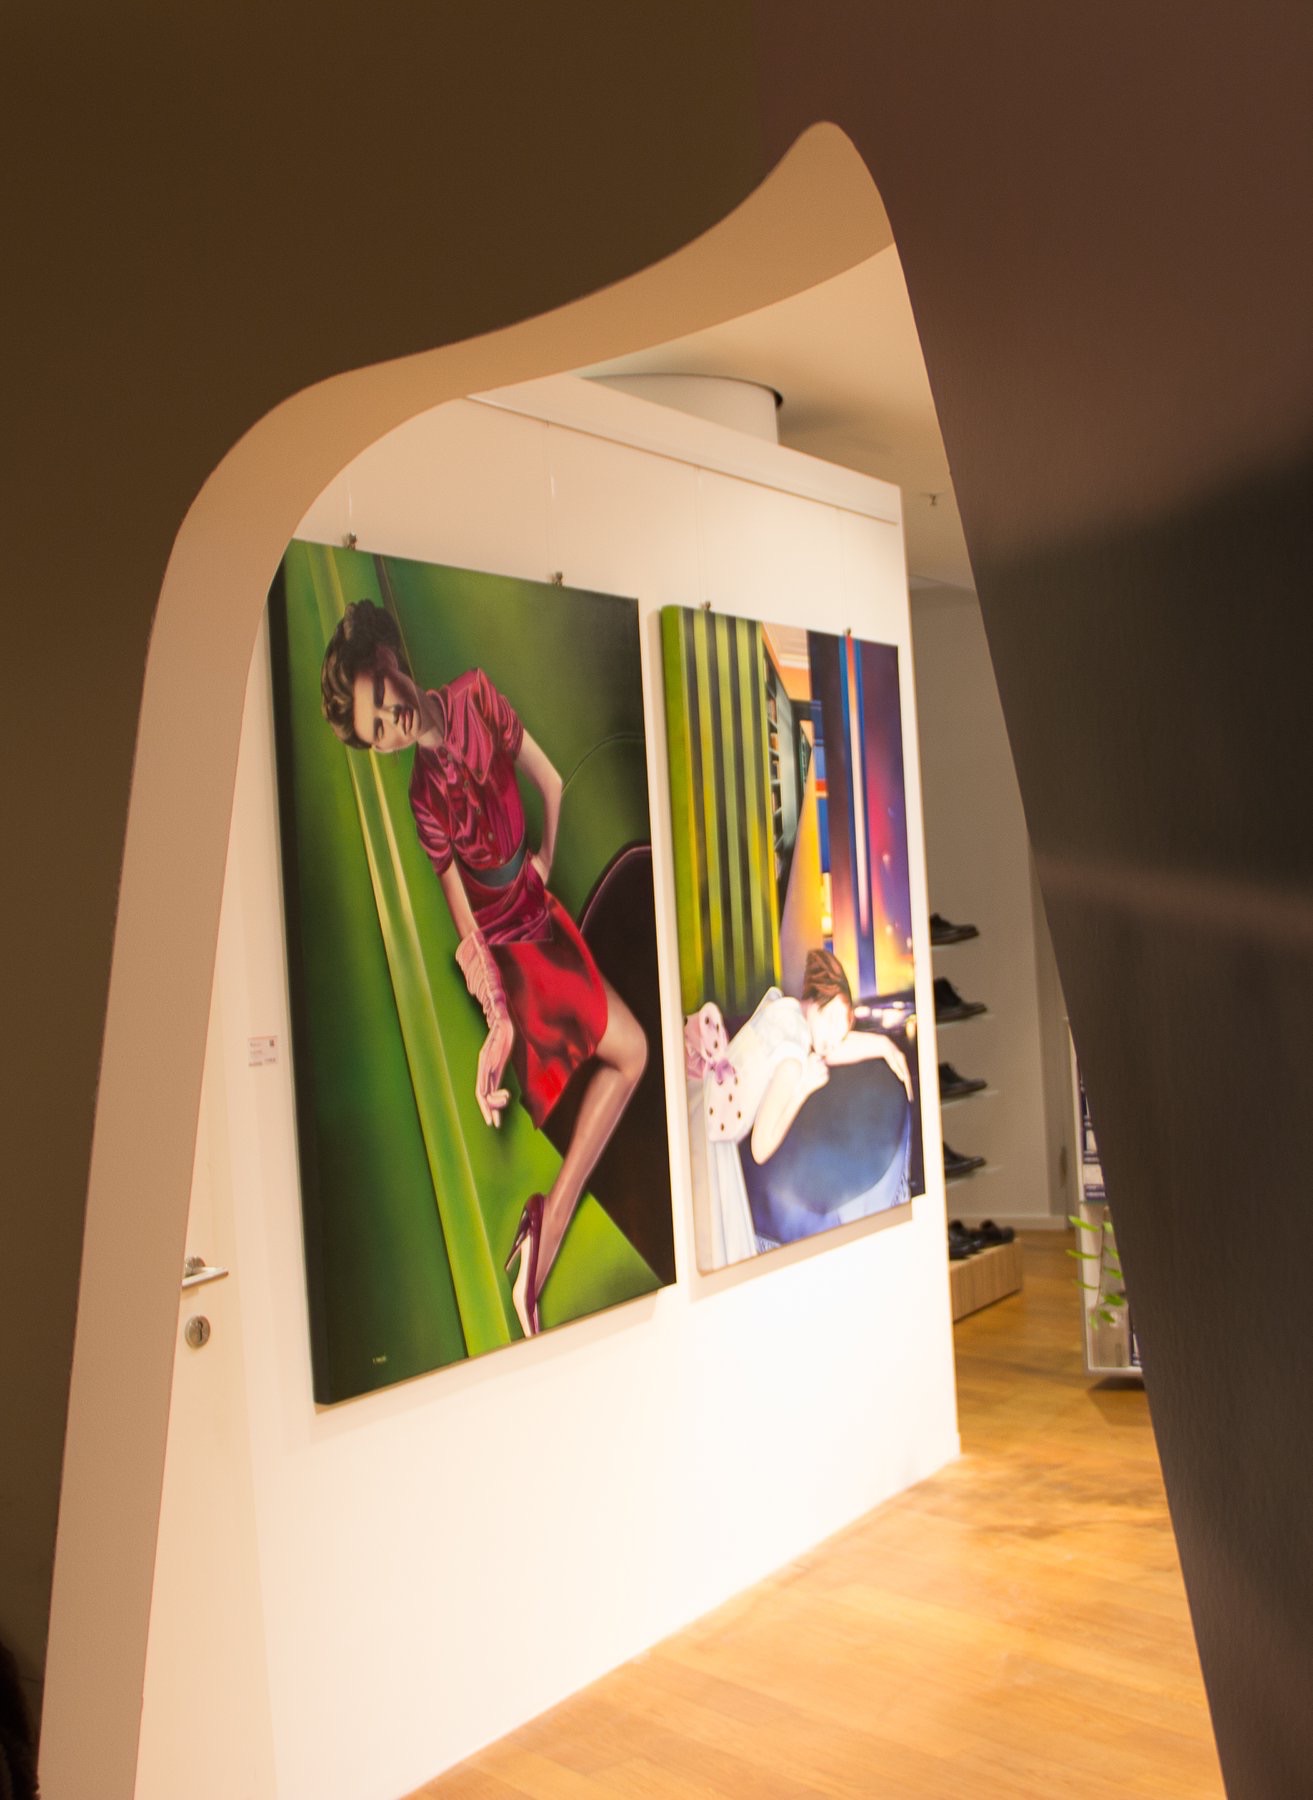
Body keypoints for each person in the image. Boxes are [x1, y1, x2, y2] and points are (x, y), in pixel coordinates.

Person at [320, 599, 647, 1338]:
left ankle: (543, 1227)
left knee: (630, 1055)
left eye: (382, 699)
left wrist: (545, 861)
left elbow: (551, 782)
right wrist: (497, 1017)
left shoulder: (473, 692)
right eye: (376, 731)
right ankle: (547, 1232)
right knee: (629, 1053)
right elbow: (463, 921)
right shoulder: (420, 796)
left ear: (392, 659)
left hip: (540, 911)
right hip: (506, 945)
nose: (391, 723)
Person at [687, 948, 912, 1267]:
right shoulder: (793, 1061)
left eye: (842, 1031)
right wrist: (802, 1090)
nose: (835, 1037)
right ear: (817, 1004)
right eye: (832, 1020)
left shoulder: (788, 1012)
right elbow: (760, 1148)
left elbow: (828, 1047)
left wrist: (885, 1046)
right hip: (709, 1145)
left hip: (704, 1112)